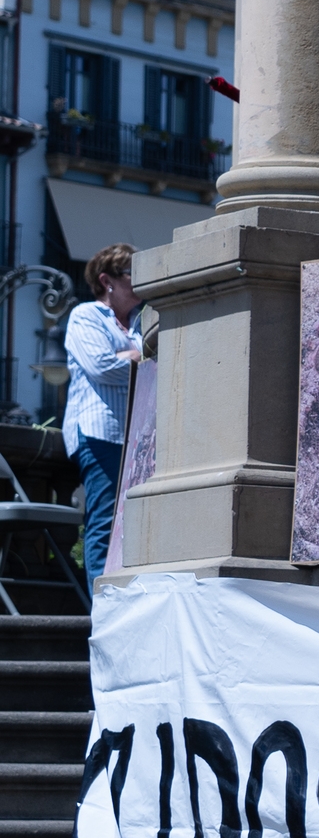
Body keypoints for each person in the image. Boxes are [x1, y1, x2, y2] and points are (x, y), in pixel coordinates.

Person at [63, 243, 141, 597]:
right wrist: (140, 357)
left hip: (135, 438)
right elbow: (101, 366)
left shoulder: (141, 323)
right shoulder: (86, 316)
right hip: (99, 434)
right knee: (105, 525)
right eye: (132, 274)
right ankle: (103, 613)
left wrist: (131, 354)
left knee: (131, 529)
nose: (140, 282)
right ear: (107, 280)